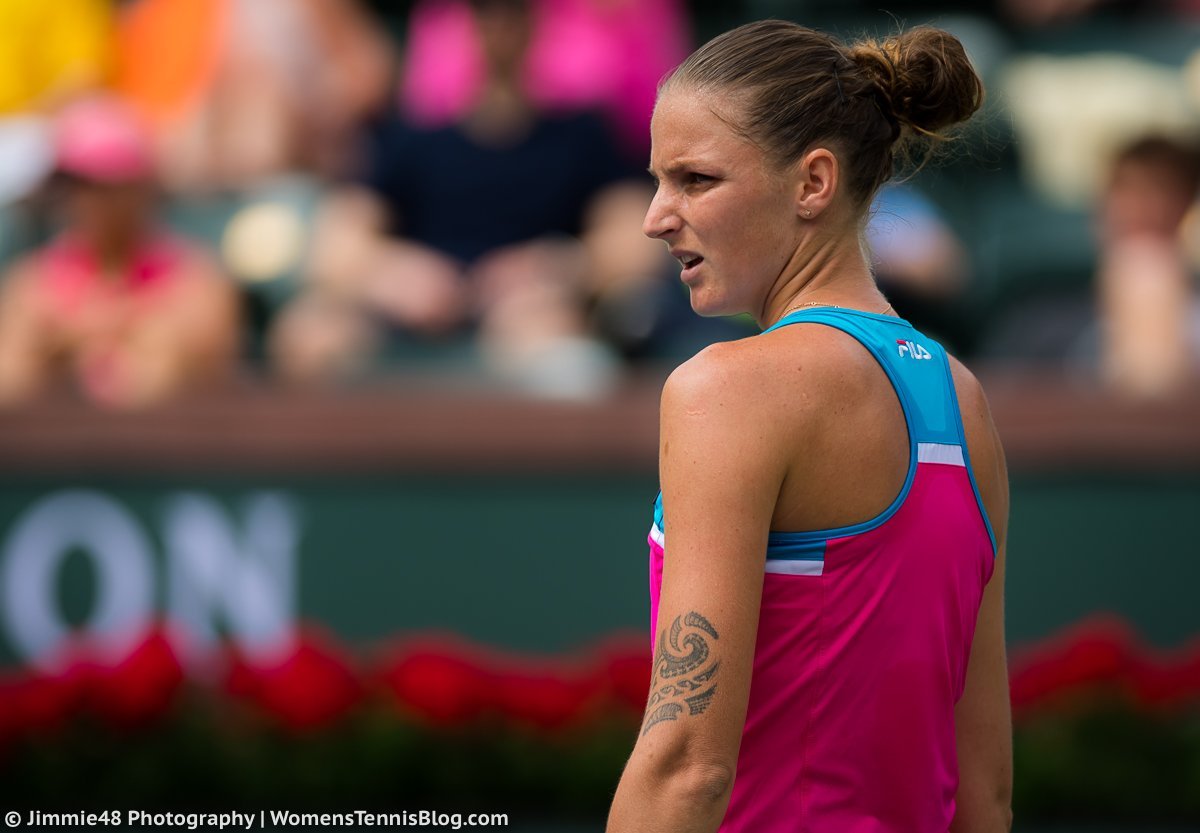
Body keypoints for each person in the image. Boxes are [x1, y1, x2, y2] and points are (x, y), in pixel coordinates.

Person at [607, 20, 1011, 833]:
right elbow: (986, 794)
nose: (656, 217)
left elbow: (687, 764)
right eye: (657, 181)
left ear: (814, 182)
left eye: (695, 179)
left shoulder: (727, 390)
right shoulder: (964, 401)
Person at [0, 96, 241, 409]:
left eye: (105, 185)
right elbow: (11, 376)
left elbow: (203, 347)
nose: (89, 200)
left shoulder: (195, 274)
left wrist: (95, 332)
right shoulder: (33, 279)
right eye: (76, 185)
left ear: (140, 188)